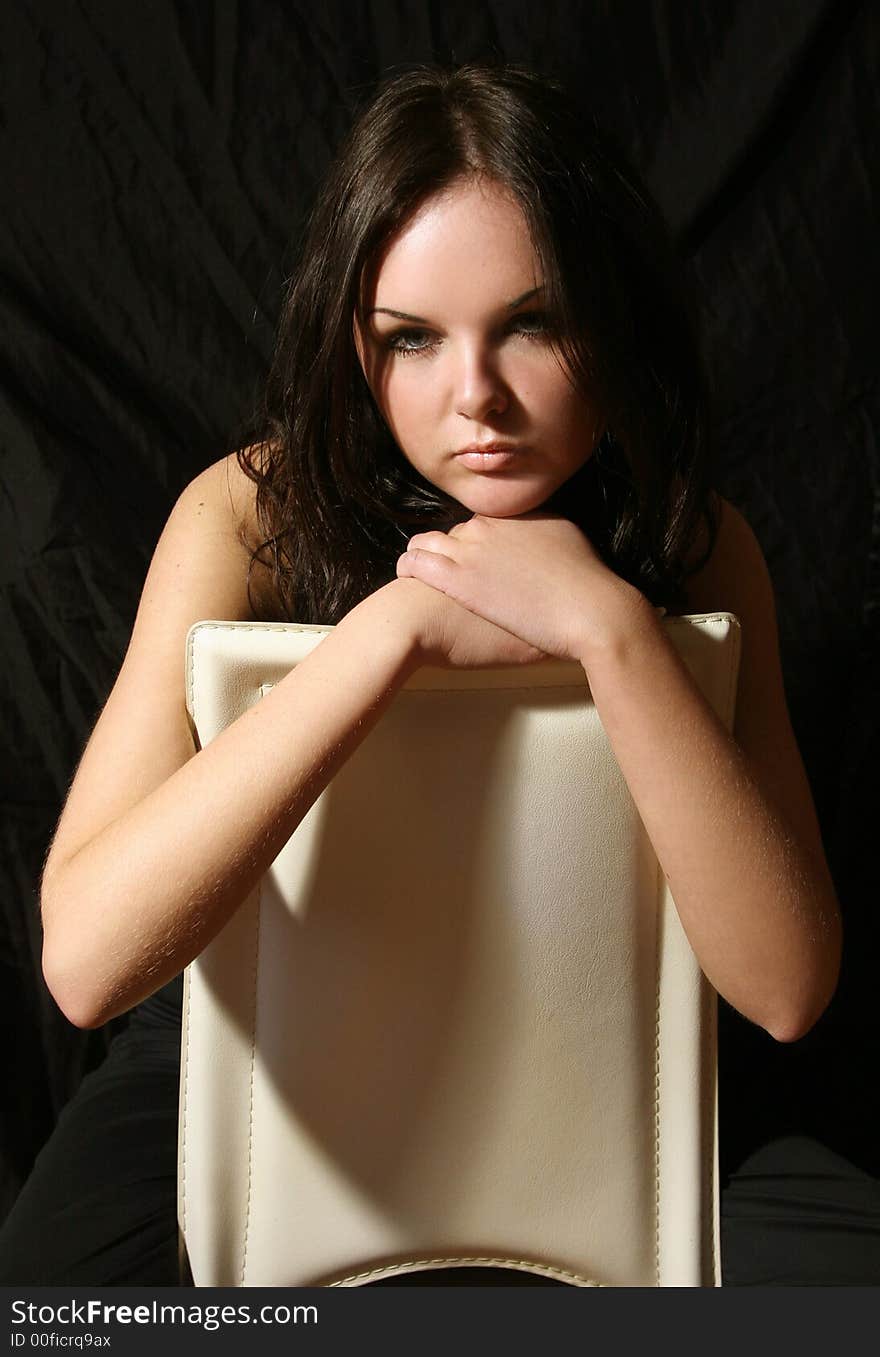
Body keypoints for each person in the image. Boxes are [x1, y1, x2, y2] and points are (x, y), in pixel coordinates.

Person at [0, 61, 862, 1287]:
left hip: (606, 1047)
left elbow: (782, 991)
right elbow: (86, 962)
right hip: (258, 1056)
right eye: (411, 338)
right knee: (53, 1310)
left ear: (610, 318)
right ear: (354, 345)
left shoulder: (694, 540)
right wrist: (391, 634)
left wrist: (612, 631)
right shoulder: (248, 517)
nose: (477, 399)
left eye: (534, 322)